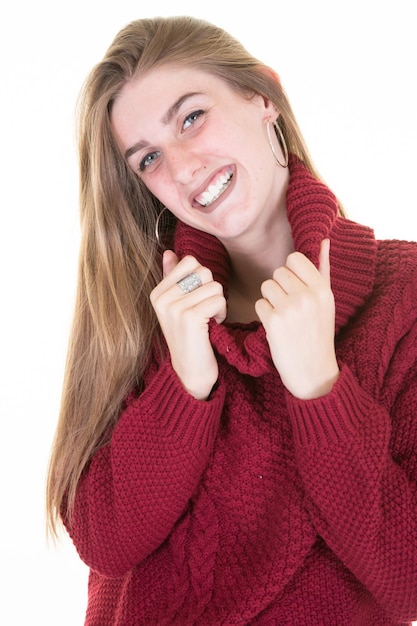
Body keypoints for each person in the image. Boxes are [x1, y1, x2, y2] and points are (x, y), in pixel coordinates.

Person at [46, 15, 417, 626]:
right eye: (148, 158)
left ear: (262, 95)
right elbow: (104, 542)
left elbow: (408, 581)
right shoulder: (145, 312)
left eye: (191, 117)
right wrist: (185, 384)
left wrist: (320, 389)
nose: (184, 167)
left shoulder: (400, 297)